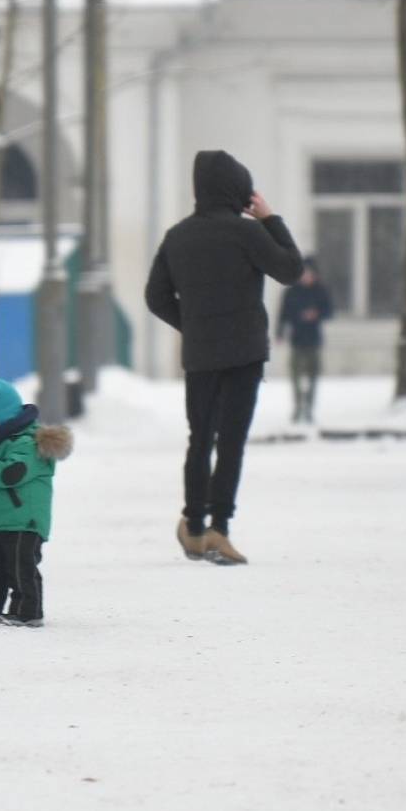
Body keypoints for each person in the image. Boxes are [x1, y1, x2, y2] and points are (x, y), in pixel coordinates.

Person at [146, 149, 304, 565]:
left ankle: (192, 526)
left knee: (200, 440)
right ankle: (220, 529)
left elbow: (155, 296)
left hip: (201, 355)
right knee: (231, 442)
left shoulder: (178, 236)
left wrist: (193, 324)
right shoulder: (247, 233)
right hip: (245, 354)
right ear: (237, 190)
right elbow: (290, 269)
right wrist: (269, 219)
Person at [0, 378, 72, 628]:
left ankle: (27, 610)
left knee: (21, 569)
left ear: (6, 417)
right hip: (0, 520)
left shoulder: (27, 443)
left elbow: (10, 473)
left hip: (23, 521)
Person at [276, 256, 334, 423]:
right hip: (297, 339)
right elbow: (283, 314)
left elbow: (329, 311)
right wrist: (280, 333)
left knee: (313, 376)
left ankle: (309, 407)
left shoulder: (320, 290)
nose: (307, 277)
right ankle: (298, 405)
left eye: (310, 273)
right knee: (296, 376)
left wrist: (316, 314)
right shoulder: (292, 292)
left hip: (314, 339)